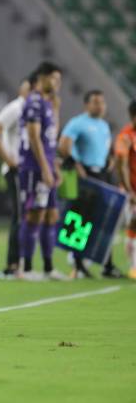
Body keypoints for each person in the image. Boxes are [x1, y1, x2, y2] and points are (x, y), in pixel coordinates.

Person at [59, 90, 124, 278]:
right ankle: (77, 262)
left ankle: (107, 265)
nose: (100, 106)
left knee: (105, 219)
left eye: (102, 102)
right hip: (85, 175)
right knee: (81, 219)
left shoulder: (104, 125)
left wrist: (109, 162)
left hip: (101, 174)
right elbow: (64, 145)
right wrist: (77, 165)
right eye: (96, 102)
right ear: (87, 104)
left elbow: (106, 148)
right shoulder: (78, 123)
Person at [17, 61, 66, 280]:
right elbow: (35, 138)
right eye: (54, 79)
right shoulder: (35, 102)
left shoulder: (48, 103)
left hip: (46, 166)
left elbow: (49, 140)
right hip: (34, 168)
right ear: (43, 78)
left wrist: (54, 165)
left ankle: (48, 267)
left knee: (52, 215)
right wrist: (46, 169)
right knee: (35, 214)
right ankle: (26, 268)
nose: (57, 84)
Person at [0, 76, 35, 276]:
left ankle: (22, 262)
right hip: (16, 171)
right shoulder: (17, 107)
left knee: (26, 216)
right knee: (20, 216)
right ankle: (14, 264)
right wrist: (9, 160)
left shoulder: (32, 110)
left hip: (28, 171)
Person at [113, 100, 136, 280]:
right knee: (133, 227)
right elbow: (121, 165)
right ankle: (134, 267)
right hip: (132, 192)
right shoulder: (125, 136)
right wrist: (129, 191)